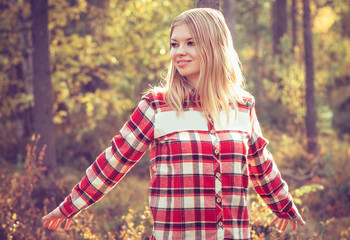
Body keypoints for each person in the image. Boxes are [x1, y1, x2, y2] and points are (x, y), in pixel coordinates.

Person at [42, 8, 305, 239]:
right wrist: (71, 205)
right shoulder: (157, 105)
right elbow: (115, 160)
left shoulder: (243, 105)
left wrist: (284, 206)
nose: (179, 52)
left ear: (214, 46)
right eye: (174, 44)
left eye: (190, 43)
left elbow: (261, 163)